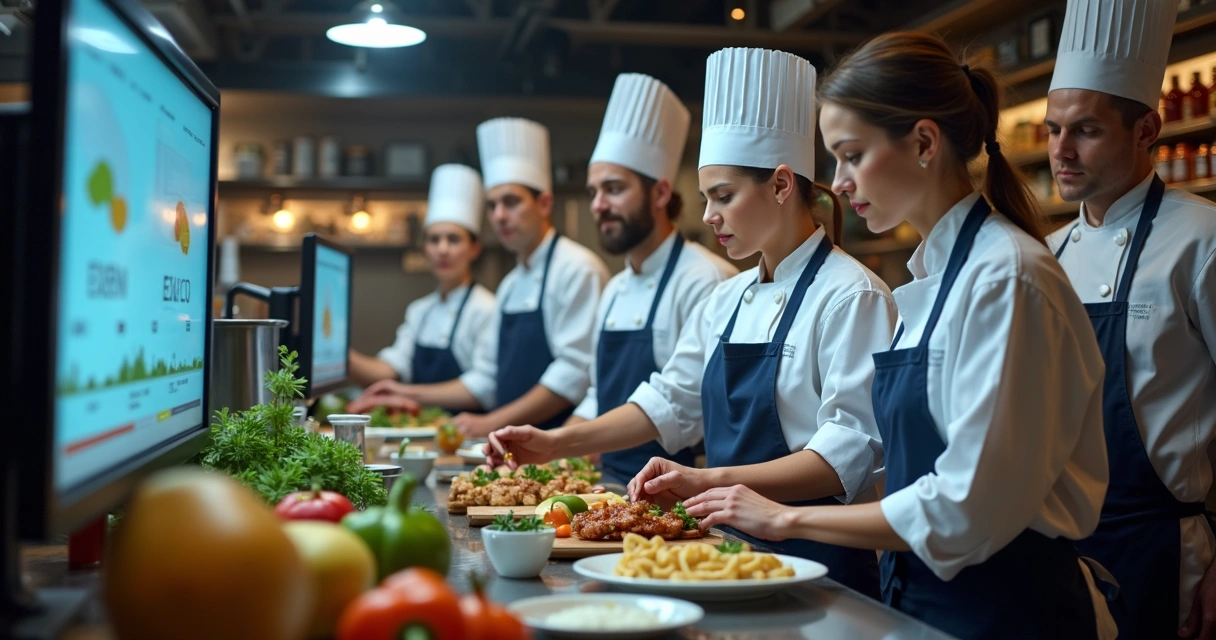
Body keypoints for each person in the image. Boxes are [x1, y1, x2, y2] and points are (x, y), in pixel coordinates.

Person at [677, 33, 1118, 640]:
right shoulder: (931, 278)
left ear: (924, 143)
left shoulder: (1009, 279)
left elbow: (965, 506)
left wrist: (785, 520)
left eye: (852, 155)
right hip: (919, 598)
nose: (839, 182)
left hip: (1005, 611)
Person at [487, 47, 896, 599]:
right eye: (706, 198)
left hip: (817, 564)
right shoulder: (726, 299)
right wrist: (555, 443)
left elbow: (845, 454)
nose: (708, 216)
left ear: (780, 185)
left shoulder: (852, 295)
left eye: (723, 197)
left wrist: (709, 480)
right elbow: (669, 402)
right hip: (722, 552)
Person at [1044, 1, 1216, 637]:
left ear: (1147, 129)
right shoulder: (1047, 256)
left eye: (1086, 130)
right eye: (1054, 128)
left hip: (1164, 547)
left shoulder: (1203, 240)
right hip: (1064, 540)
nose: (1061, 150)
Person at [350, 118, 610, 437]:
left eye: (511, 202)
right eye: (492, 205)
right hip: (513, 448)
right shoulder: (511, 285)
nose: (500, 215)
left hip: (559, 445)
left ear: (544, 203)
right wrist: (405, 393)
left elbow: (572, 374)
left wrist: (492, 422)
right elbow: (488, 377)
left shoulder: (577, 268)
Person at [568, 72, 737, 485]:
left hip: (669, 495)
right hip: (606, 484)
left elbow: (687, 406)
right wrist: (554, 453)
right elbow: (598, 395)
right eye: (593, 193)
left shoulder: (705, 280)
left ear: (661, 194)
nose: (599, 205)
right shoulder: (615, 288)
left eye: (613, 189)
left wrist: (558, 442)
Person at [347, 164, 495, 403]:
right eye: (434, 240)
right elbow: (390, 369)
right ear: (425, 249)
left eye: (453, 239)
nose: (442, 249)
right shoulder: (420, 311)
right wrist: (339, 356)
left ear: (474, 248)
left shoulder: (487, 309)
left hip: (466, 434)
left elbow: (484, 387)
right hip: (421, 432)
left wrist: (407, 393)